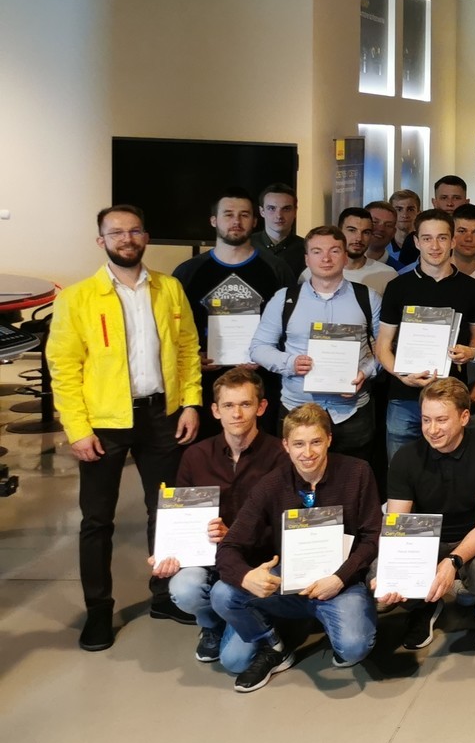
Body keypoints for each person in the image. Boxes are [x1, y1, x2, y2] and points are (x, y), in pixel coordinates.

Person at [48, 204, 203, 651]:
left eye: (134, 231)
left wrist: (190, 403)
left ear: (146, 237)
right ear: (101, 241)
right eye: (116, 233)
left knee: (167, 513)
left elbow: (188, 348)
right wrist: (77, 429)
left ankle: (164, 596)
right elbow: (64, 368)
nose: (127, 239)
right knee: (97, 520)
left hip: (161, 415)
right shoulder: (77, 298)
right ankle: (99, 611)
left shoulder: (169, 288)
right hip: (104, 423)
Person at [210, 404, 382, 691]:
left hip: (340, 583)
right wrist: (246, 576)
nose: (308, 453)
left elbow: (373, 536)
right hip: (287, 582)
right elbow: (229, 547)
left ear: (329, 439)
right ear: (286, 445)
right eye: (299, 444)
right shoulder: (270, 485)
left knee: (353, 648)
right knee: (229, 633)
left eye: (316, 442)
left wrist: (340, 578)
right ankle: (274, 644)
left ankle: (312, 621)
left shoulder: (357, 472)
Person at [151, 368, 288, 669]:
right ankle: (212, 624)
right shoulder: (196, 456)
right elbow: (180, 516)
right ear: (215, 410)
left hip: (257, 562)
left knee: (235, 662)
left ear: (262, 407)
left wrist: (236, 536)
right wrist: (168, 552)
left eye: (245, 404)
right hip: (209, 558)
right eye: (228, 405)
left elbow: (286, 527)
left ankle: (255, 617)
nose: (236, 414)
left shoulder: (281, 456)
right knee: (183, 587)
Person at [381, 378, 475, 652]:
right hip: (426, 539)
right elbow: (399, 527)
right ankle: (423, 606)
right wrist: (394, 571)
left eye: (441, 420)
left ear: (464, 417)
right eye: (426, 420)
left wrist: (452, 561)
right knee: (379, 568)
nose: (432, 429)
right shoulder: (405, 458)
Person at [250, 226, 382, 460]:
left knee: (354, 476)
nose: (326, 258)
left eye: (334, 251)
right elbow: (258, 347)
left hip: (352, 413)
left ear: (344, 256)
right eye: (317, 251)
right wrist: (290, 362)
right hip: (297, 410)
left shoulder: (368, 297)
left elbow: (385, 348)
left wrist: (366, 371)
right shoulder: (285, 298)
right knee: (296, 477)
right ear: (306, 259)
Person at [172, 190, 294, 434]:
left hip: (262, 387)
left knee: (261, 454)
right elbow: (172, 334)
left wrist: (266, 355)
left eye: (244, 215)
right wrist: (193, 357)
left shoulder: (277, 269)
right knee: (207, 454)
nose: (236, 221)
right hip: (206, 388)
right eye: (228, 214)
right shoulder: (187, 273)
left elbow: (291, 327)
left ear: (255, 221)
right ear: (213, 220)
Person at [376, 208, 475, 456]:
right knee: (401, 467)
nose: (435, 246)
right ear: (417, 242)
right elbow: (382, 346)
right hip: (404, 397)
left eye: (442, 238)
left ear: (453, 241)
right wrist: (402, 375)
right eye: (427, 238)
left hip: (452, 396)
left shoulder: (472, 289)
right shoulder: (397, 287)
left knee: (452, 467)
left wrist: (472, 352)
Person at [338, 206, 398, 294]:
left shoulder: (388, 275)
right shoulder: (319, 272)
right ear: (339, 232)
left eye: (366, 232)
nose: (359, 238)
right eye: (352, 230)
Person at [252, 182, 305, 265]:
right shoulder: (245, 246)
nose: (279, 216)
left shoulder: (307, 248)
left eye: (286, 209)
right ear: (262, 211)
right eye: (271, 208)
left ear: (295, 212)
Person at [388, 188, 422, 268]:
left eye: (410, 209)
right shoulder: (381, 247)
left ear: (418, 213)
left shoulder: (427, 246)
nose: (405, 215)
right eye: (399, 209)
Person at [365, 199, 401, 268]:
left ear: (394, 232)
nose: (381, 228)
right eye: (374, 222)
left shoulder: (400, 272)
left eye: (388, 225)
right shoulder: (343, 263)